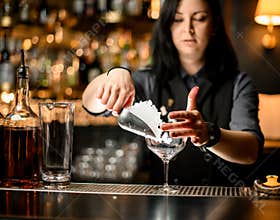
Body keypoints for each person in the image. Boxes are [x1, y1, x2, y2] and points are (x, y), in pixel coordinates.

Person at [83, 0, 264, 186]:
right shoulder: (149, 79)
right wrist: (115, 74)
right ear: (167, 26)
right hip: (161, 207)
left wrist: (207, 133)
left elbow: (250, 152)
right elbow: (90, 104)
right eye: (178, 19)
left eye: (200, 18)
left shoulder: (238, 83)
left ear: (214, 25)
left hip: (223, 204)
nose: (188, 29)